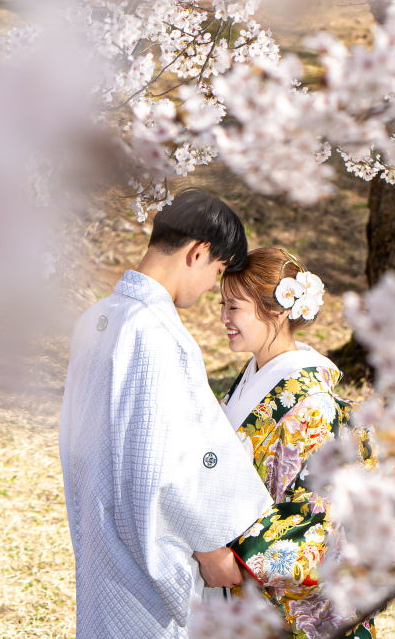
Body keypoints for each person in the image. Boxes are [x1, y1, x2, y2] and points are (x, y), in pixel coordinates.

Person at [59, 189, 272, 639]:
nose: (212, 288)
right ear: (199, 252)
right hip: (141, 556)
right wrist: (212, 546)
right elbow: (158, 463)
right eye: (217, 273)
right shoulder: (154, 333)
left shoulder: (96, 319)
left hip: (103, 541)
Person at [219, 247, 376, 639]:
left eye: (234, 307)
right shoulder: (256, 378)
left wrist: (235, 556)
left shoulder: (312, 406)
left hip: (279, 596)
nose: (223, 318)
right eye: (221, 304)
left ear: (277, 310)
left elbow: (316, 523)